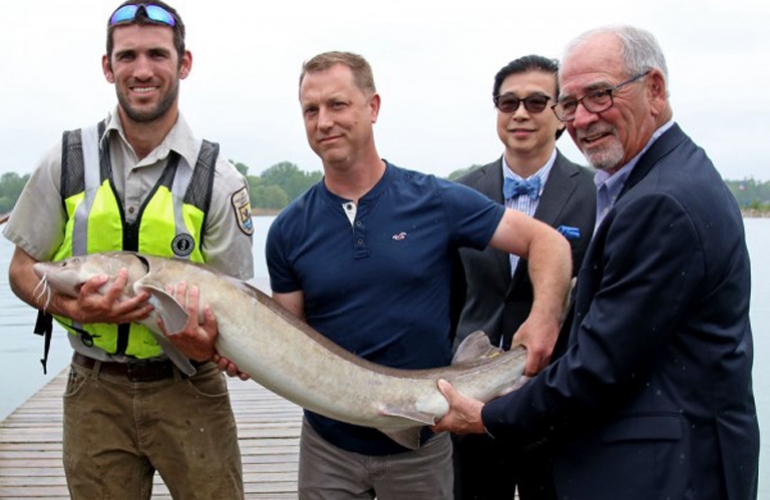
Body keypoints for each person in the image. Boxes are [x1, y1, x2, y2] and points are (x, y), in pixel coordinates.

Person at [433, 25, 760, 500]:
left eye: (600, 96)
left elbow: (600, 365)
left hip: (665, 470)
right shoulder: (657, 179)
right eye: (571, 103)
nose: (584, 118)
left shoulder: (663, 201)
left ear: (656, 89)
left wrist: (488, 416)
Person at [265, 51, 572, 500]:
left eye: (337, 104)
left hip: (422, 446)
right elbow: (286, 341)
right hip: (328, 448)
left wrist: (545, 317)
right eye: (310, 110)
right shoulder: (288, 230)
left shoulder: (434, 200)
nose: (323, 121)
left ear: (373, 107)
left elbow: (548, 243)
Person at [3, 2, 253, 499]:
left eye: (158, 54)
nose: (143, 70)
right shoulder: (64, 159)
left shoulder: (221, 180)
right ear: (107, 66)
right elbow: (23, 270)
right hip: (94, 390)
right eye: (128, 56)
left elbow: (237, 312)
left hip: (191, 390)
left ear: (184, 63)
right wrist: (70, 305)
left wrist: (208, 344)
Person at [450, 55, 596, 500]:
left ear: (561, 115)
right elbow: (450, 292)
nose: (519, 113)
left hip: (555, 401)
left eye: (536, 102)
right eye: (507, 102)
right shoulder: (461, 192)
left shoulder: (596, 193)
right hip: (471, 392)